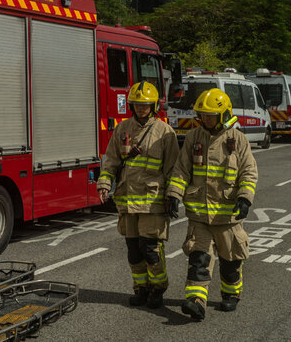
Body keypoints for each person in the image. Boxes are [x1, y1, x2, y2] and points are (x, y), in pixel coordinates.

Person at [166, 88, 258, 321]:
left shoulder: (238, 140)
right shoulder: (193, 138)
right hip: (199, 214)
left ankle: (231, 294)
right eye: (203, 115)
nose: (206, 119)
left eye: (211, 115)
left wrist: (245, 199)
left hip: (228, 216)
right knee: (199, 258)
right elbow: (181, 170)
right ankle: (196, 301)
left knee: (230, 261)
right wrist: (174, 195)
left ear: (224, 114)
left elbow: (248, 172)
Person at [96, 82, 180, 308]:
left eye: (145, 105)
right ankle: (140, 288)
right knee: (133, 251)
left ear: (153, 105)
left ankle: (158, 289)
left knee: (151, 250)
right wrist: (104, 183)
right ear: (131, 105)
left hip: (153, 203)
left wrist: (173, 195)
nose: (141, 108)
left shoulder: (165, 132)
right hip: (127, 203)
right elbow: (111, 160)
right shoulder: (122, 129)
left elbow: (173, 168)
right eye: (137, 105)